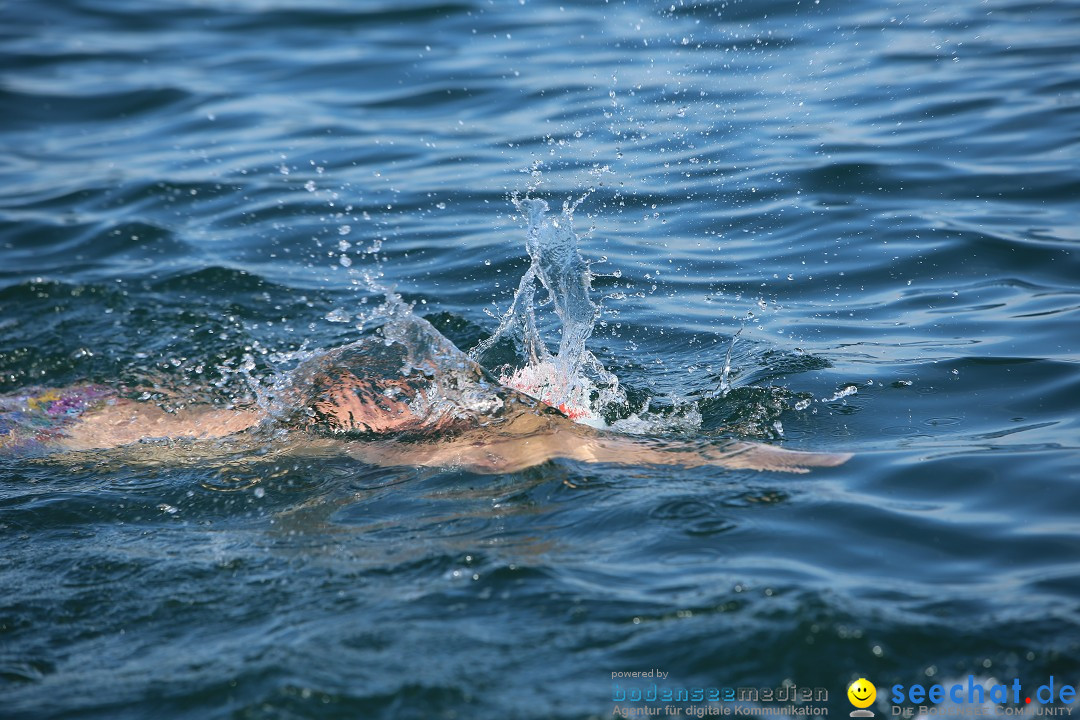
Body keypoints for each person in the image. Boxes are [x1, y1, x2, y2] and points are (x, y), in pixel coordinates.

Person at [0, 312, 850, 474]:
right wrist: (821, 462)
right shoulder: (513, 441)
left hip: (69, 418)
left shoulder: (279, 422)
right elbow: (667, 453)